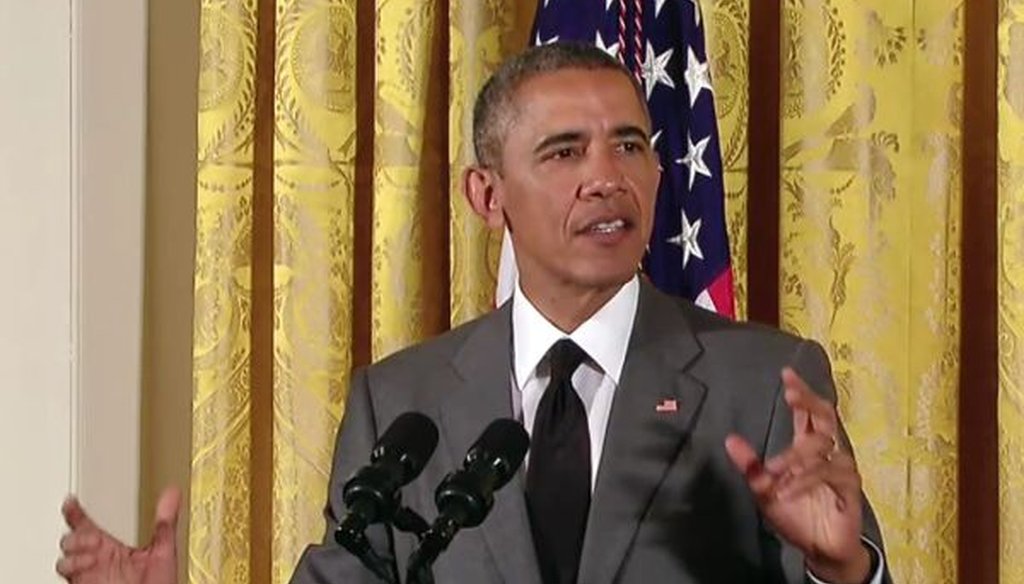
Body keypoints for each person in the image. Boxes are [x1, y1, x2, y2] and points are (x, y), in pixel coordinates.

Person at [57, 43, 890, 584]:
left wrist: (840, 568)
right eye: (565, 152)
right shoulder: (402, 399)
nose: (607, 177)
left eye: (630, 145)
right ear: (486, 195)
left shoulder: (763, 380)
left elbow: (838, 563)